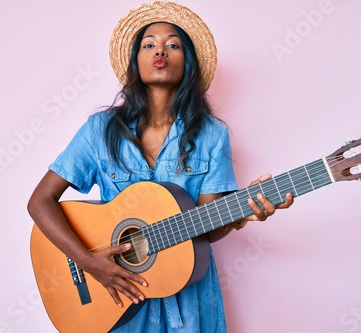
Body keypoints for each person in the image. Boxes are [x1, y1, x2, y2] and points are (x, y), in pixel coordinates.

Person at [27, 1, 293, 332]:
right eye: (149, 44)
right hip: (117, 300)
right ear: (136, 63)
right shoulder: (100, 130)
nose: (161, 51)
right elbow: (39, 201)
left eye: (174, 44)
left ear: (188, 63)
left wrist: (243, 213)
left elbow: (207, 229)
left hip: (189, 303)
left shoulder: (212, 134)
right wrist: (89, 262)